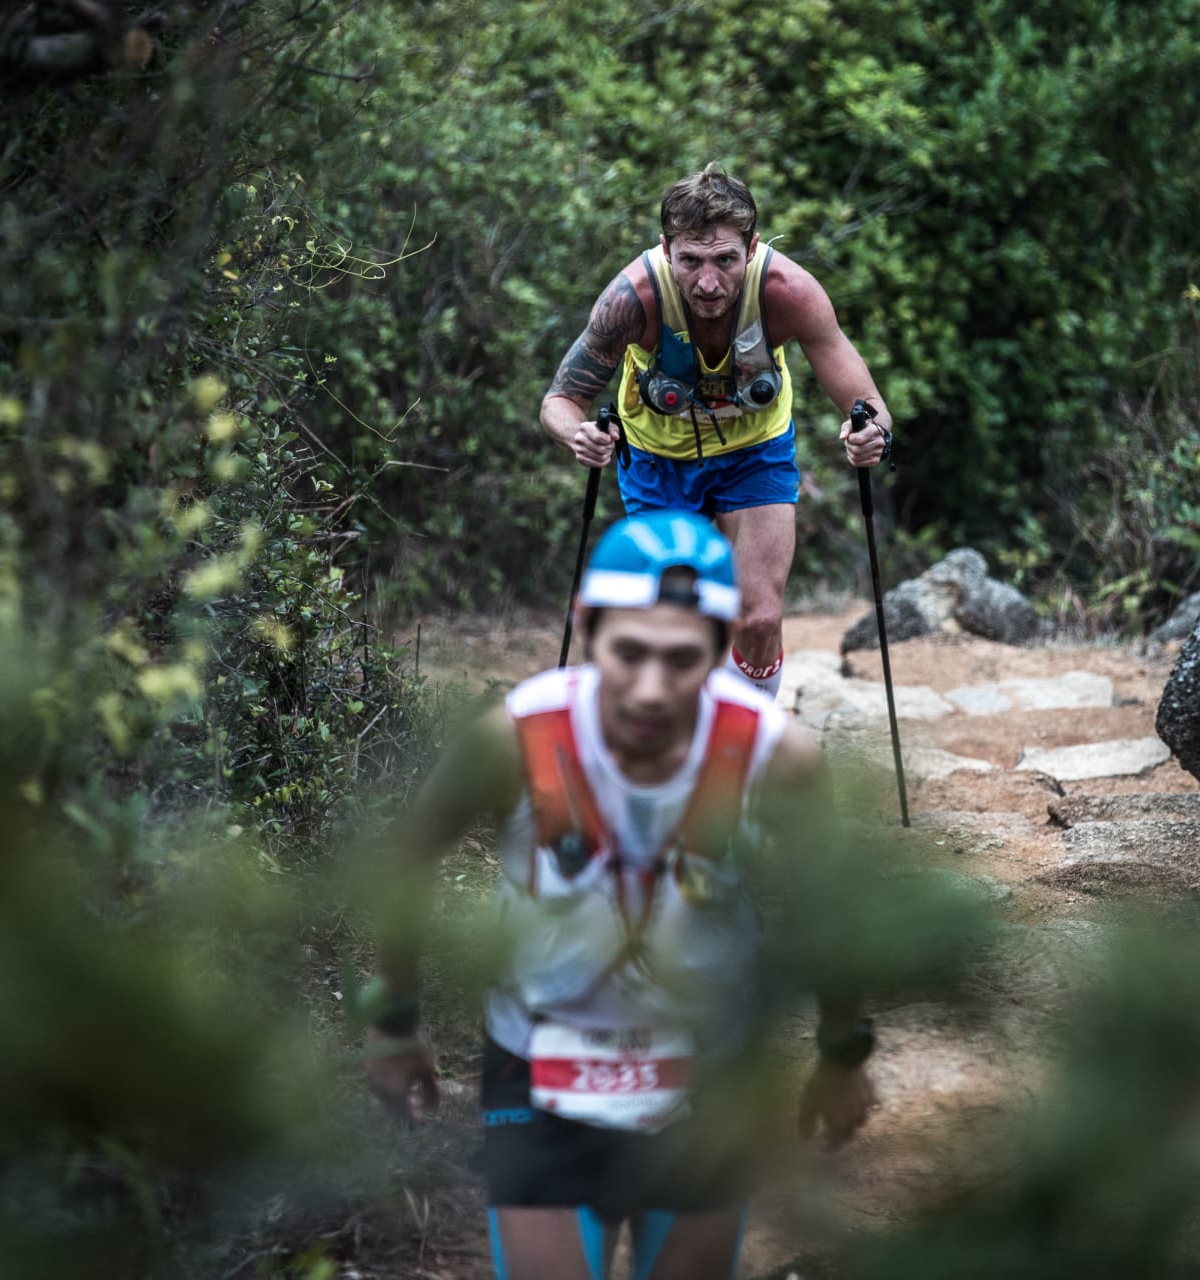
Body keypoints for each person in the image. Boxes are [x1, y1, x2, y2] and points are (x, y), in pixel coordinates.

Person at [364, 511, 879, 1280]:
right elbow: (407, 862)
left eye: (680, 660)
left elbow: (828, 909)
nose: (649, 689)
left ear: (725, 643)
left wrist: (841, 1054)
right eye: (628, 653)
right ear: (586, 626)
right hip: (538, 1061)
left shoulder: (776, 758)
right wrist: (393, 1023)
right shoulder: (514, 737)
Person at [539, 166, 892, 699]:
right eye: (691, 261)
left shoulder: (787, 291)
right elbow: (559, 402)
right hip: (658, 461)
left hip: (756, 452)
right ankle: (677, 738)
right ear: (666, 249)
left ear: (751, 249)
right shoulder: (634, 298)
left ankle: (742, 751)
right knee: (668, 620)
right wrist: (579, 436)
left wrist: (871, 437)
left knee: (757, 618)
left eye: (725, 260)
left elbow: (871, 407)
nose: (708, 283)